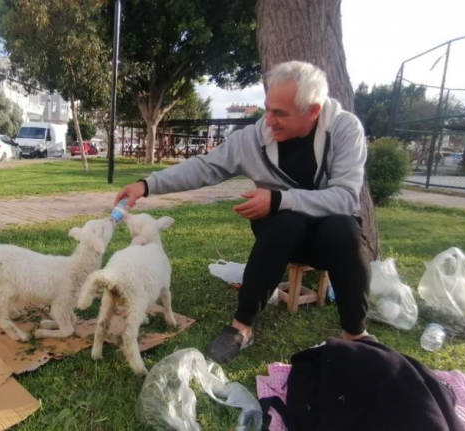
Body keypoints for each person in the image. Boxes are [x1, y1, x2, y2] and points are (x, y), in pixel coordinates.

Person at [114, 61, 371, 364]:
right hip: (281, 232)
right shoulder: (253, 138)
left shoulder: (344, 129)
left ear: (313, 111)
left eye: (281, 113)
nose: (269, 121)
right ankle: (242, 327)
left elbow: (345, 198)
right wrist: (147, 184)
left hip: (328, 237)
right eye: (268, 109)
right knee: (285, 223)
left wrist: (277, 199)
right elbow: (205, 167)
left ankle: (355, 334)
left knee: (343, 229)